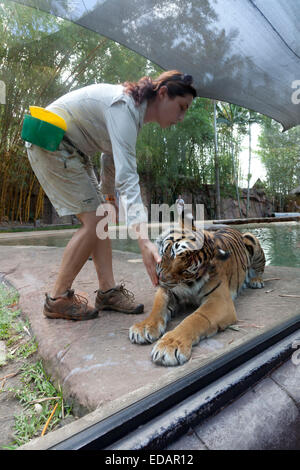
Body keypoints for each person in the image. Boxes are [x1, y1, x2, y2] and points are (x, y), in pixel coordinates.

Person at [25, 71, 197, 320]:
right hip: (51, 141)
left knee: (101, 219)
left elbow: (109, 155)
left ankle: (107, 291)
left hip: (73, 149)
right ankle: (58, 299)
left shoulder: (134, 113)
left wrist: (109, 199)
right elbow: (128, 179)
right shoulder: (124, 107)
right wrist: (143, 240)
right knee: (94, 221)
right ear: (162, 94)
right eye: (181, 107)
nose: (181, 117)